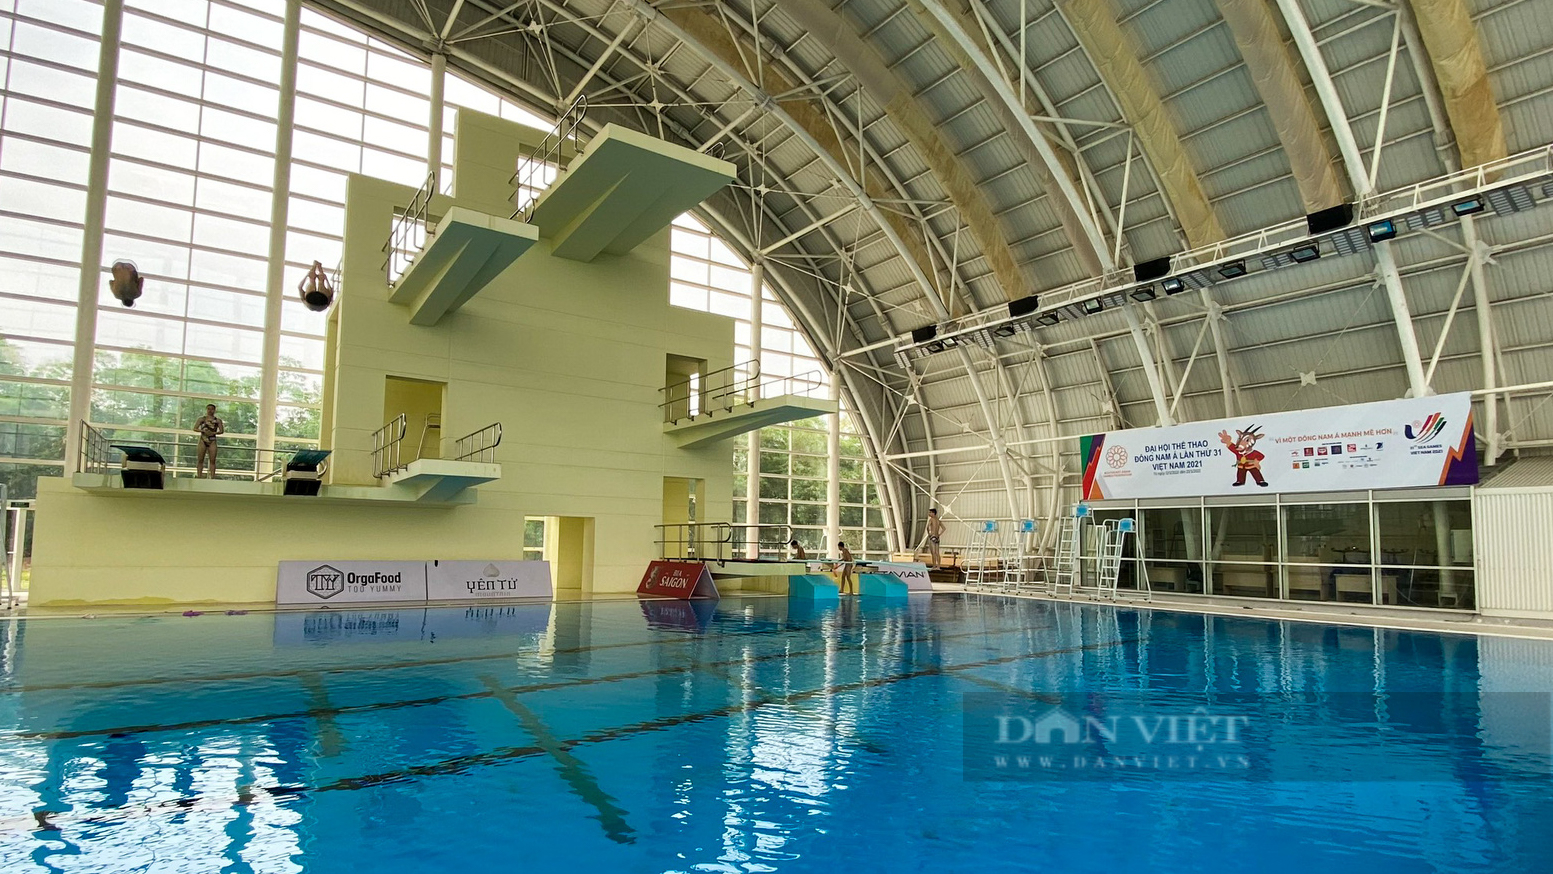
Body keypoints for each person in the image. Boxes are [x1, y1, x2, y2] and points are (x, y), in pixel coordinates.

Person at [194, 404, 224, 478]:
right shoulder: (202, 419)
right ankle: (199, 475)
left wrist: (213, 433)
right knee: (200, 459)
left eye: (212, 409)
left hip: (212, 440)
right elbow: (195, 428)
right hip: (203, 439)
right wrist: (203, 431)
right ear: (206, 410)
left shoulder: (217, 420)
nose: (210, 411)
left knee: (212, 460)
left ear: (214, 410)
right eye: (208, 409)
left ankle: (213, 476)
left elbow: (221, 431)